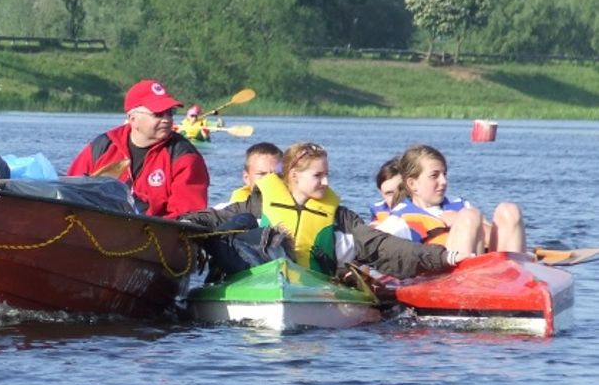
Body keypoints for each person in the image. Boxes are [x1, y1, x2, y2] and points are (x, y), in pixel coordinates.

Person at [180, 141, 467, 280]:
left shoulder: (340, 216)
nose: (326, 182)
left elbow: (382, 246)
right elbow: (213, 217)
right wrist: (177, 223)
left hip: (313, 287)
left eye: (326, 174)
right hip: (257, 280)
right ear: (293, 175)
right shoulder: (258, 202)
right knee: (235, 224)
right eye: (318, 176)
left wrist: (444, 257)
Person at [67, 79, 209, 218]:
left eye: (170, 112)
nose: (167, 119)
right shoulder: (103, 146)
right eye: (158, 114)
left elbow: (187, 217)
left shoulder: (185, 156)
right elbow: (70, 190)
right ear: (132, 119)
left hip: (153, 235)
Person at [386, 144, 525, 255]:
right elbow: (375, 248)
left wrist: (458, 221)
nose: (444, 181)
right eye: (434, 176)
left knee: (509, 210)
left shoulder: (461, 206)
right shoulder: (400, 219)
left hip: (486, 275)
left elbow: (495, 237)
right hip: (439, 278)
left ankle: (514, 278)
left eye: (444, 174)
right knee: (469, 216)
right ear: (412, 184)